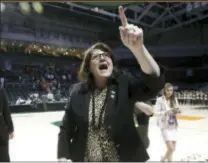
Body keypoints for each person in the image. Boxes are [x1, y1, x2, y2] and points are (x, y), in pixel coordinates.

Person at [57, 6, 165, 162]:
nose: (103, 58)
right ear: (88, 68)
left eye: (106, 55)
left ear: (112, 63)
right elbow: (66, 127)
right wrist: (62, 156)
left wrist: (138, 49)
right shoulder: (77, 91)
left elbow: (154, 83)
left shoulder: (124, 83)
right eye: (96, 57)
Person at [154, 83, 181, 162]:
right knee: (171, 148)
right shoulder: (160, 99)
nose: (170, 92)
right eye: (168, 90)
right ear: (164, 91)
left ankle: (165, 159)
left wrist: (178, 111)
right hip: (165, 126)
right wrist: (166, 112)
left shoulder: (174, 99)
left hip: (173, 125)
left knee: (173, 149)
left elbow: (176, 109)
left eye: (171, 90)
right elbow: (156, 112)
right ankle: (163, 160)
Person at [0, 88, 14, 162]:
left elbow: (6, 111)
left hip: (1, 129)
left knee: (3, 156)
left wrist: (10, 129)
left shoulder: (1, 91)